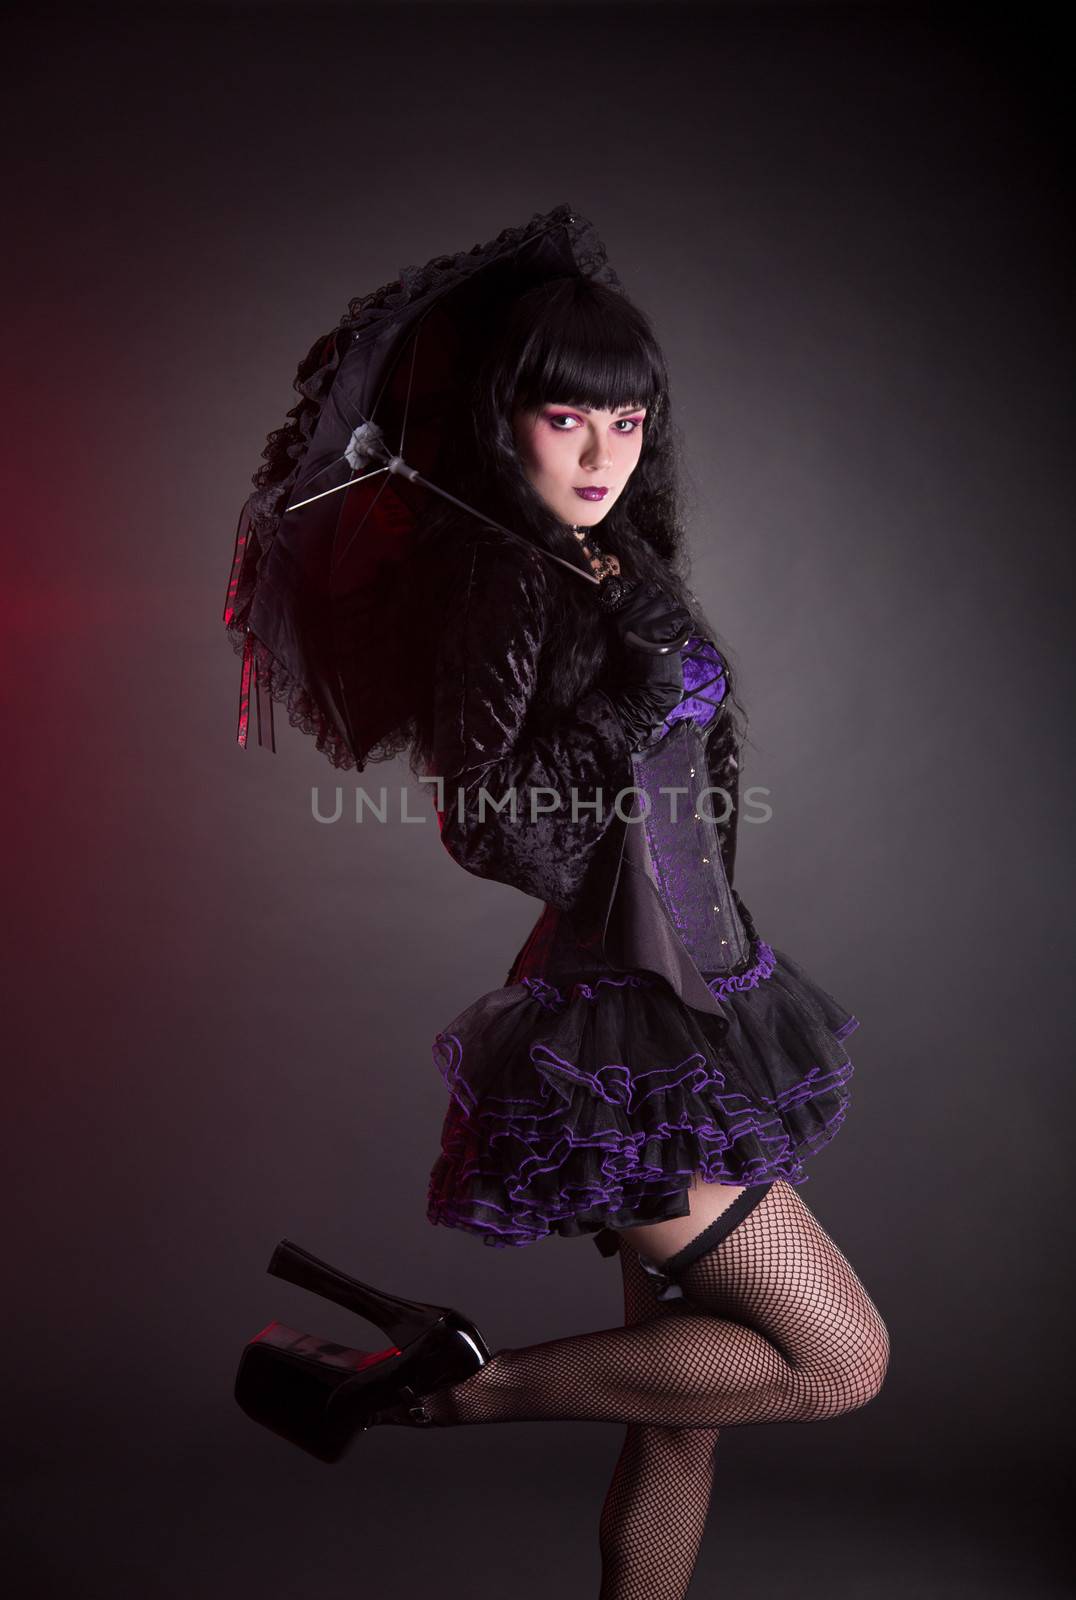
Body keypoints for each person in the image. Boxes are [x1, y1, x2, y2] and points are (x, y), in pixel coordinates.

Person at [237, 262, 890, 1600]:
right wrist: (626, 704)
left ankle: (420, 1377)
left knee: (682, 1426)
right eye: (565, 417)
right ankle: (445, 1391)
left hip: (706, 1008)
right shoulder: (504, 589)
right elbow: (493, 830)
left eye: (629, 419)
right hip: (619, 1029)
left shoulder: (608, 558)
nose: (601, 450)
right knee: (838, 1363)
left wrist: (655, 693)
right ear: (505, 422)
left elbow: (691, 805)